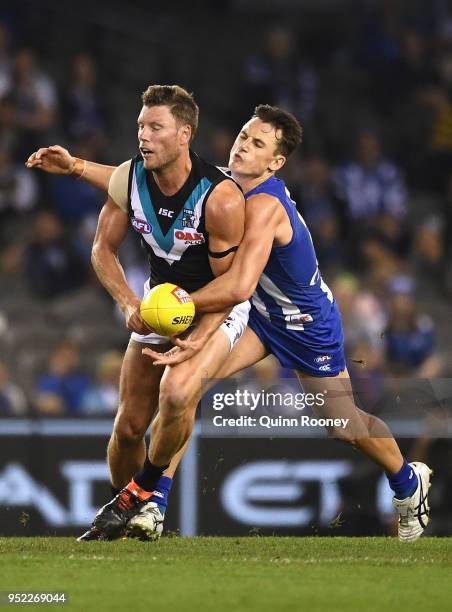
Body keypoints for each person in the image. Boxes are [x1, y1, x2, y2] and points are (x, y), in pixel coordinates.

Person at [27, 104, 432, 544]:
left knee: (342, 424)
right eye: (243, 136)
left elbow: (239, 284)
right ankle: (155, 502)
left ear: (275, 162)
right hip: (257, 317)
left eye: (257, 144)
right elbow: (136, 180)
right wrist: (77, 167)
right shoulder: (226, 183)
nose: (243, 146)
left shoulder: (264, 207)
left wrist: (176, 303)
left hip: (302, 321)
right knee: (185, 387)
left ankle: (409, 481)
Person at [27, 84, 248, 541]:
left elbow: (230, 286)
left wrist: (198, 335)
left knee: (176, 394)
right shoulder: (129, 181)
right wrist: (129, 302)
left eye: (155, 127)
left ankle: (148, 500)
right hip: (156, 304)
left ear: (184, 134)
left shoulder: (220, 197)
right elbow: (101, 251)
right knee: (128, 426)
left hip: (213, 307)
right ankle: (124, 515)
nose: (143, 136)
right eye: (140, 127)